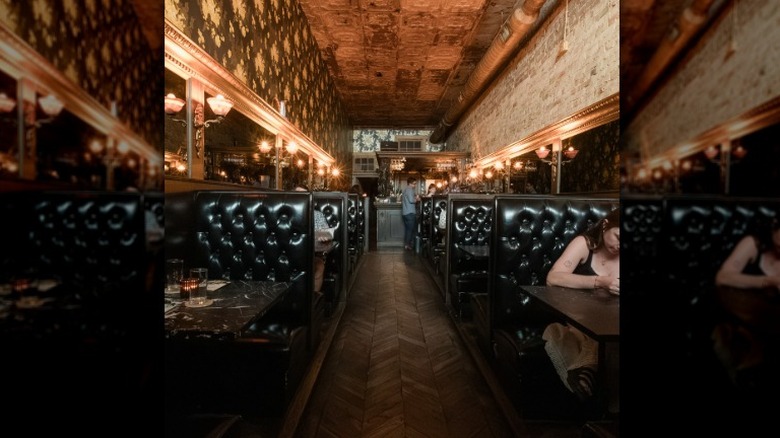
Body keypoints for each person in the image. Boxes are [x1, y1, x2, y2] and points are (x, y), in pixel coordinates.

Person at [542, 208, 620, 407]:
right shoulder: (584, 244)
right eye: (618, 237)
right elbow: (553, 278)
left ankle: (587, 374)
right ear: (605, 226)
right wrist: (600, 282)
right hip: (579, 317)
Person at [712, 213, 780, 391]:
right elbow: (722, 277)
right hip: (737, 317)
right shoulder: (754, 243)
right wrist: (769, 281)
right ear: (774, 228)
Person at [295, 185, 336, 292]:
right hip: (286, 256)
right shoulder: (285, 216)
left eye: (304, 196)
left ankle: (313, 300)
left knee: (318, 265)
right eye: (297, 196)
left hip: (310, 255)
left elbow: (326, 234)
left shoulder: (317, 215)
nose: (301, 199)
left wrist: (325, 237)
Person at [401, 177, 420, 251]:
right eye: (414, 184)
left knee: (407, 230)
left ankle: (407, 244)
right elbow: (412, 200)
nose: (415, 185)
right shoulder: (410, 189)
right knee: (410, 230)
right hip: (410, 213)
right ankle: (408, 245)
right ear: (410, 183)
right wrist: (417, 199)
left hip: (405, 213)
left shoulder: (405, 190)